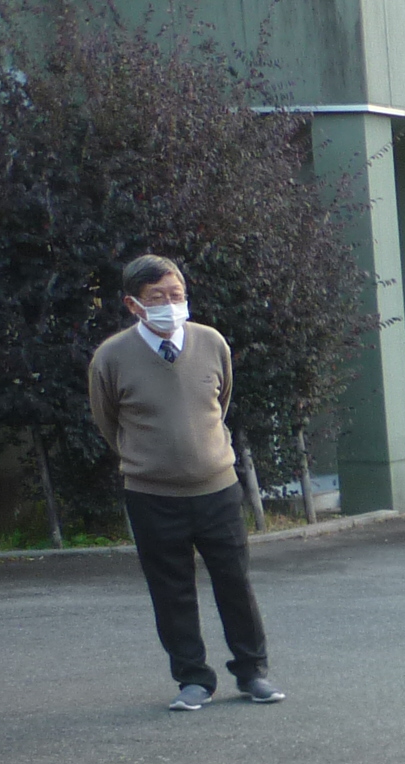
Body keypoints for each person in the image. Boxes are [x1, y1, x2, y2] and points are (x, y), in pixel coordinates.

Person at [87, 254, 281, 711]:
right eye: (157, 297)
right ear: (133, 304)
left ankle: (252, 672)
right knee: (170, 590)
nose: (170, 304)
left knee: (235, 583)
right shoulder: (111, 357)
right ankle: (193, 678)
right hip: (152, 495)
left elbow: (220, 401)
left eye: (176, 294)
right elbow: (107, 421)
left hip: (217, 488)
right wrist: (147, 458)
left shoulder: (211, 343)